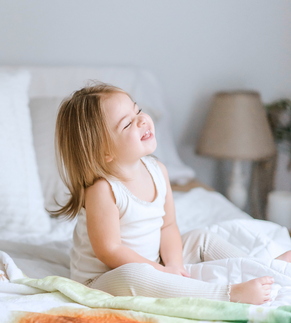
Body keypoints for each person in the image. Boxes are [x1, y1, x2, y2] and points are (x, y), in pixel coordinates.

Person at [53, 82, 288, 305]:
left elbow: (168, 226)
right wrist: (162, 273)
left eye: (138, 111)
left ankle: (262, 268)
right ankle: (227, 294)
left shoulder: (158, 171)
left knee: (201, 238)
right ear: (104, 152)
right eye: (127, 124)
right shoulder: (103, 191)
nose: (142, 121)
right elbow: (111, 251)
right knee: (135, 276)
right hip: (105, 278)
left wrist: (175, 265)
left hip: (154, 260)